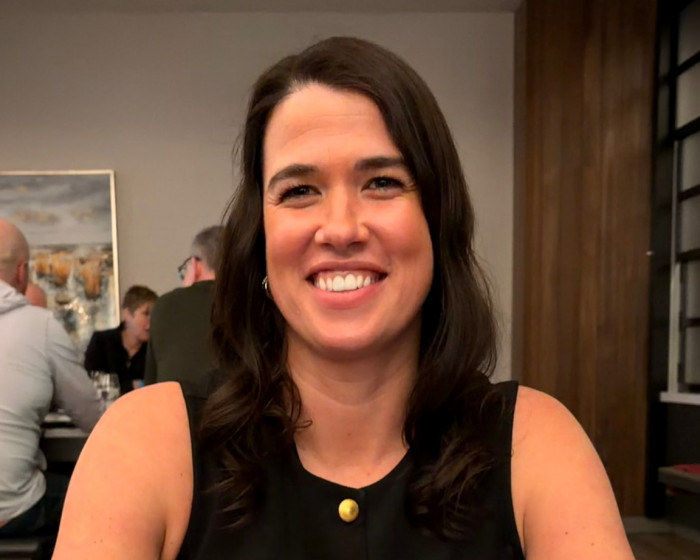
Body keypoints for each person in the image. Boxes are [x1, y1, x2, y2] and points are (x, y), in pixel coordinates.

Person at [53, 37, 635, 559]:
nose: (340, 228)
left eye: (382, 182)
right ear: (259, 240)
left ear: (438, 221)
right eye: (299, 190)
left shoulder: (533, 442)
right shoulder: (147, 444)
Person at [0, 220, 101, 545]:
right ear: (22, 271)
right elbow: (93, 417)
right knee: (106, 493)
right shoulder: (40, 326)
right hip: (13, 509)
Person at [143, 225, 222, 395]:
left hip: (174, 410)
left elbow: (150, 388)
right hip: (239, 410)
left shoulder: (165, 305)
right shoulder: (252, 303)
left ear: (195, 265)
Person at [83, 285, 158, 396]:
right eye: (146, 314)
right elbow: (89, 385)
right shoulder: (101, 342)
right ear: (127, 314)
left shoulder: (156, 349)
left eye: (154, 314)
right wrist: (131, 386)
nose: (151, 320)